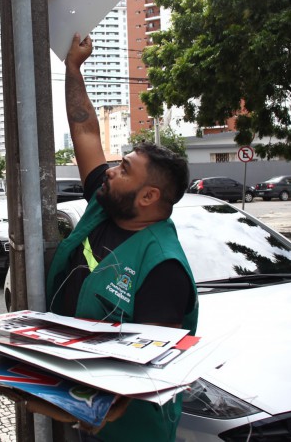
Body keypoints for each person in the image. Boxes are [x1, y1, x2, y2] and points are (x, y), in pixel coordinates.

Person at [45, 34, 199, 441]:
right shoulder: (106, 205)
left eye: (125, 168)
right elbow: (85, 130)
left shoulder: (163, 268)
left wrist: (27, 391)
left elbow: (139, 373)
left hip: (127, 430)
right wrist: (73, 69)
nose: (111, 169)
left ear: (149, 196)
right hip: (81, 406)